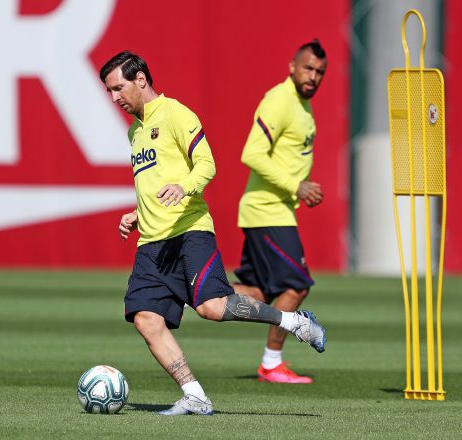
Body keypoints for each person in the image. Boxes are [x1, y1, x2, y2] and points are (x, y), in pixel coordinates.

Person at [99, 50, 326, 416]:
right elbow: (154, 183)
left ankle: (294, 322)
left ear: (140, 79)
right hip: (152, 241)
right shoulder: (135, 131)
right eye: (109, 92)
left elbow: (207, 164)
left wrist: (185, 187)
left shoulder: (176, 113)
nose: (114, 98)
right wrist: (137, 214)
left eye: (118, 88)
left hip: (190, 231)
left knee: (211, 307)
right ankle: (194, 395)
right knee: (145, 318)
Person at [233, 40, 328, 384]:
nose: (313, 76)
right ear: (292, 66)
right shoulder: (280, 100)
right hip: (267, 210)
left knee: (258, 293)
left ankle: (189, 290)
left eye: (319, 72)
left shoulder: (302, 105)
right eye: (308, 68)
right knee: (297, 285)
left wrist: (298, 186)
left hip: (275, 208)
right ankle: (272, 363)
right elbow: (252, 153)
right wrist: (296, 185)